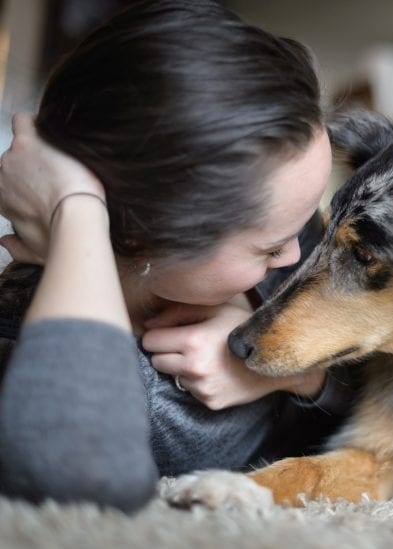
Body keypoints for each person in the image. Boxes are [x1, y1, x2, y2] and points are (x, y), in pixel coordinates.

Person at [0, 0, 357, 513]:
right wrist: (76, 210)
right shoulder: (38, 348)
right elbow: (77, 488)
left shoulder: (285, 225)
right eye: (268, 246)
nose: (297, 255)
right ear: (141, 238)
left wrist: (286, 367)